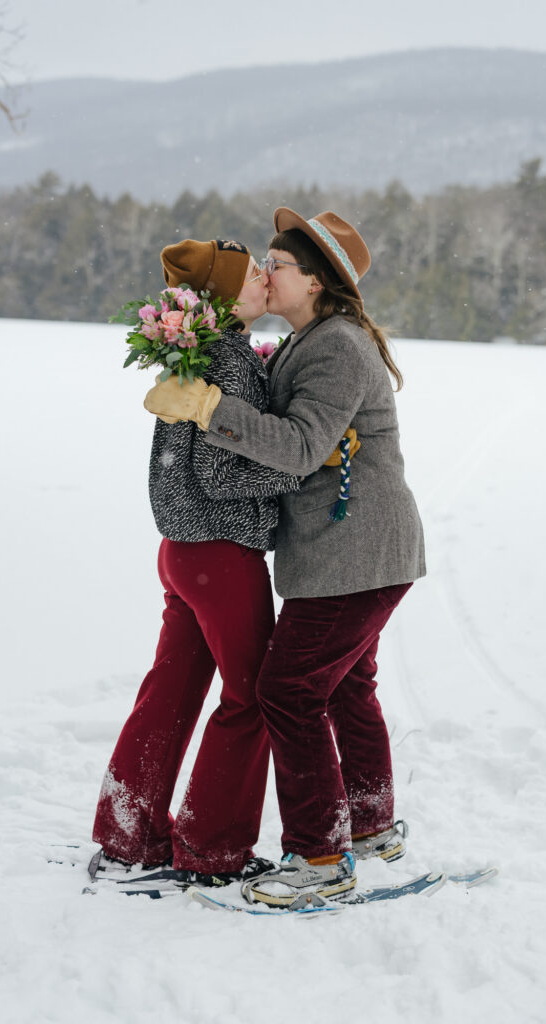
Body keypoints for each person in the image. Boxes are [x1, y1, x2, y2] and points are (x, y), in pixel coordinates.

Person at [143, 208, 426, 906]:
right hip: (355, 550)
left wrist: (210, 409)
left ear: (320, 282)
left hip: (352, 551)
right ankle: (368, 826)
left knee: (287, 692)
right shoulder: (314, 339)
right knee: (343, 687)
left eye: (279, 264)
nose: (266, 274)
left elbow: (299, 449)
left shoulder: (335, 347)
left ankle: (320, 858)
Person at [89, 238, 299, 890]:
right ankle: (212, 848)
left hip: (182, 552)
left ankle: (129, 837)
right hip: (219, 553)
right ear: (226, 298)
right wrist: (292, 474)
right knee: (253, 696)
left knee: (171, 692)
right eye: (252, 275)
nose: (266, 279)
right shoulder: (226, 361)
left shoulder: (202, 355)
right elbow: (216, 473)